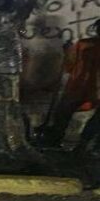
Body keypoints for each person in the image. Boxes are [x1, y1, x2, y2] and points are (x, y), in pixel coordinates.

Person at [43, 22, 100, 150]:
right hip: (82, 87)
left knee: (63, 115)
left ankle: (58, 142)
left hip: (79, 87)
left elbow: (69, 65)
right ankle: (83, 146)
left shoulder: (83, 44)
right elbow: (70, 64)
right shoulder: (83, 44)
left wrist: (67, 50)